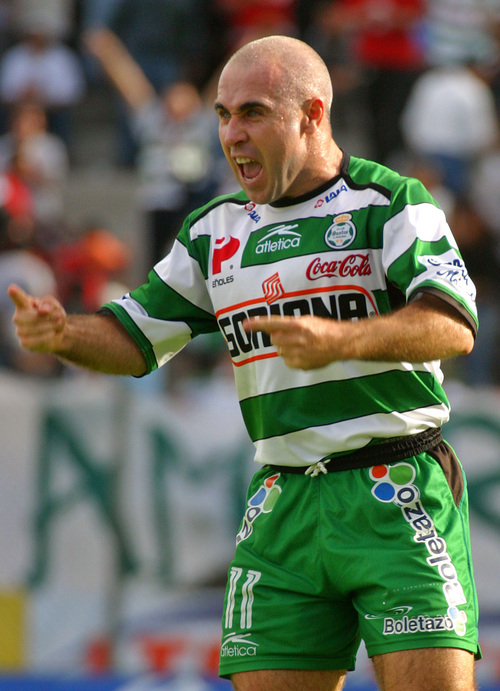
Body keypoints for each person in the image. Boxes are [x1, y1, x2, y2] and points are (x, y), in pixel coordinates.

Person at [7, 35, 480, 690]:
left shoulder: (392, 202)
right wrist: (64, 334)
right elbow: (135, 339)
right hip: (282, 502)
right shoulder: (212, 233)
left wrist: (343, 341)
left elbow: (452, 325)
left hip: (394, 489)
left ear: (312, 114)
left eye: (253, 112)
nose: (232, 134)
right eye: (224, 115)